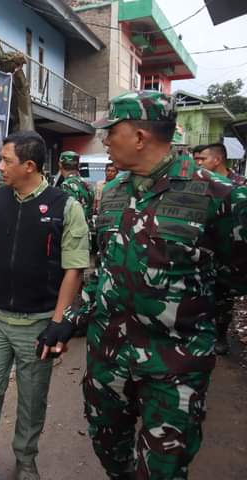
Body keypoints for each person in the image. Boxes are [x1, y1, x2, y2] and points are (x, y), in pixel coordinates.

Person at [81, 90, 247, 479]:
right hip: (108, 358)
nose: (104, 140)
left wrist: (188, 307)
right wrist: (74, 314)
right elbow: (105, 265)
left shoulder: (220, 196)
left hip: (175, 365)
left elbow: (236, 273)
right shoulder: (112, 193)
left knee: (162, 470)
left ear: (140, 137)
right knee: (109, 451)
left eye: (111, 131)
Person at [0, 131, 89, 480]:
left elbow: (74, 269)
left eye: (6, 160)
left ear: (29, 166)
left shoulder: (65, 206)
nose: (0, 166)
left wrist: (59, 321)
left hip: (38, 322)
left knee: (32, 399)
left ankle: (26, 460)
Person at [193, 143, 247, 355]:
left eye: (202, 159)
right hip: (205, 250)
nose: (197, 163)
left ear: (217, 160)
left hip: (229, 252)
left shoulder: (238, 186)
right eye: (196, 159)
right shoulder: (200, 185)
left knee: (223, 298)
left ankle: (221, 334)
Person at [57, 151, 95, 224]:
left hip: (74, 229)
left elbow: (67, 212)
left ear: (60, 165)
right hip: (87, 229)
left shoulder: (66, 185)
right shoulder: (87, 184)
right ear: (78, 165)